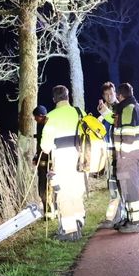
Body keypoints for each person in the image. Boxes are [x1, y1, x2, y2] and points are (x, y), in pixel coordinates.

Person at [39, 85, 86, 241]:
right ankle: (79, 223)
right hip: (80, 159)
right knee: (76, 192)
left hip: (63, 160)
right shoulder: (79, 112)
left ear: (54, 99)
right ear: (68, 97)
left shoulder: (51, 117)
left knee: (64, 195)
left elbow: (45, 147)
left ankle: (69, 231)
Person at [109, 82, 139, 233]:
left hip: (127, 157)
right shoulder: (136, 107)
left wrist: (121, 156)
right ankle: (130, 219)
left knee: (130, 189)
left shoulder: (127, 109)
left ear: (119, 95)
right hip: (134, 155)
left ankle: (135, 223)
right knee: (127, 188)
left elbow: (127, 135)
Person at [96, 82, 126, 229]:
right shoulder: (104, 111)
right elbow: (98, 128)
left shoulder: (120, 107)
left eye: (111, 93)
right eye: (106, 94)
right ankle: (112, 218)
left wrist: (104, 112)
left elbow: (116, 121)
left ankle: (122, 216)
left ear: (116, 93)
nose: (109, 96)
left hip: (119, 153)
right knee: (112, 186)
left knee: (121, 185)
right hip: (108, 153)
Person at [30, 105, 52, 218]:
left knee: (48, 187)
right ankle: (47, 210)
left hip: (49, 162)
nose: (34, 119)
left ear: (41, 116)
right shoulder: (40, 126)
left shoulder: (49, 126)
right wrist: (36, 156)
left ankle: (50, 211)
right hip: (42, 162)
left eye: (36, 117)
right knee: (42, 188)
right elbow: (40, 145)